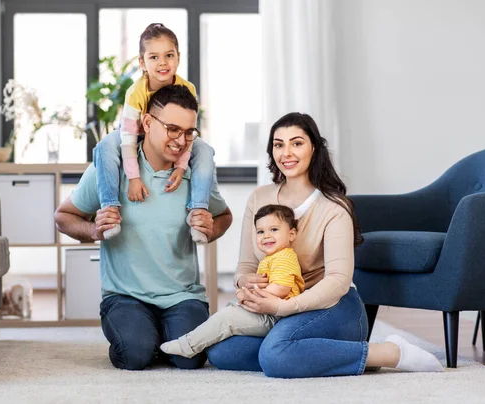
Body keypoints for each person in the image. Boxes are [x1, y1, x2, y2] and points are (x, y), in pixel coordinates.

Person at [205, 112, 444, 378]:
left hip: (333, 307)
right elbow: (246, 264)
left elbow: (338, 282)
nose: (287, 152)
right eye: (278, 144)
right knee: (221, 351)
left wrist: (283, 308)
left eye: (297, 143)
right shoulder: (259, 198)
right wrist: (244, 284)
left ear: (314, 148)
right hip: (278, 309)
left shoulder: (334, 207)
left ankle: (387, 352)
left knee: (275, 357)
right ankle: (311, 351)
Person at [55, 85, 232, 371]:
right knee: (135, 355)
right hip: (126, 297)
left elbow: (224, 215)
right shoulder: (111, 169)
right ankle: (147, 338)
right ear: (147, 123)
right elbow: (63, 216)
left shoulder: (195, 173)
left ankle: (160, 337)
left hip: (182, 295)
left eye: (189, 132)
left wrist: (211, 228)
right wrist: (93, 231)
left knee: (191, 359)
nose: (181, 141)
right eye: (173, 129)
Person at [93, 23, 215, 244]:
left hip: (173, 136)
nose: (163, 63)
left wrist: (181, 166)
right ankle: (110, 210)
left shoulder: (188, 89)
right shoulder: (135, 93)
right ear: (142, 62)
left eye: (169, 55)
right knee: (105, 147)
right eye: (154, 57)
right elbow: (128, 140)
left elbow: (187, 132)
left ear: (178, 57)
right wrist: (134, 178)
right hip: (136, 133)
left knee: (205, 150)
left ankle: (198, 212)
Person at [160, 204, 305, 358]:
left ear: (291, 234)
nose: (266, 236)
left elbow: (281, 288)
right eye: (260, 231)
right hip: (266, 311)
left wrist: (249, 294)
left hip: (275, 316)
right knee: (227, 316)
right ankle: (196, 341)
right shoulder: (273, 257)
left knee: (227, 319)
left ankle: (188, 346)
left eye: (274, 230)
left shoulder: (285, 257)